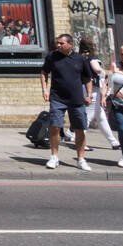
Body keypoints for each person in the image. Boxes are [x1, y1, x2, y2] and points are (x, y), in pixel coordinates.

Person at [40, 34, 95, 170]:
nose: (58, 45)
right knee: (55, 126)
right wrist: (44, 90)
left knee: (79, 129)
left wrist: (88, 95)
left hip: (76, 99)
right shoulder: (52, 57)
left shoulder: (80, 59)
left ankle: (81, 159)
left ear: (70, 44)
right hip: (57, 98)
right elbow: (43, 72)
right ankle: (54, 157)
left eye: (61, 43)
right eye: (57, 43)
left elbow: (88, 79)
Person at [78, 38, 120, 151]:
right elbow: (97, 69)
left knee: (101, 117)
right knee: (88, 116)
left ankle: (114, 142)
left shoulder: (81, 57)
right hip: (93, 90)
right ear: (92, 46)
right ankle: (79, 141)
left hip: (84, 87)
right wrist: (108, 73)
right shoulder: (92, 58)